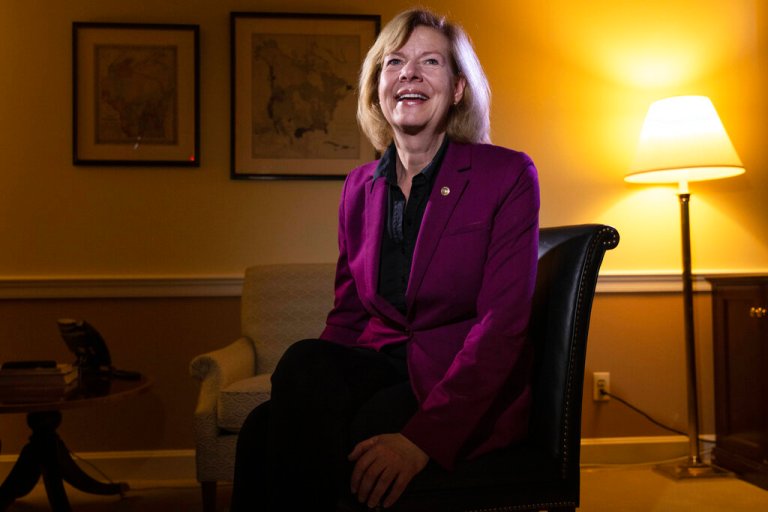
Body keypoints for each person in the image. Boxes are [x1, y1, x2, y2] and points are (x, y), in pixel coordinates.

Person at [230, 7, 539, 511]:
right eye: (394, 62)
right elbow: (349, 316)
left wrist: (422, 439)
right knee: (272, 412)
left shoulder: (506, 174)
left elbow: (501, 326)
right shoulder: (358, 187)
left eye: (430, 62)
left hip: (453, 382)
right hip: (378, 365)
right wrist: (314, 391)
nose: (409, 73)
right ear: (378, 86)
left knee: (336, 439)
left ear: (458, 88)